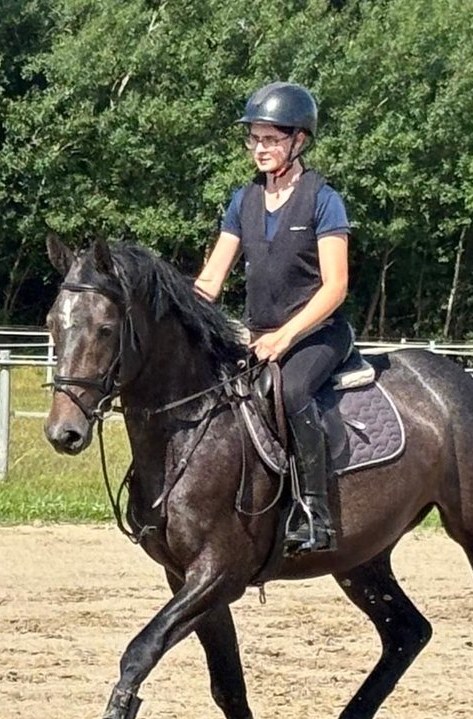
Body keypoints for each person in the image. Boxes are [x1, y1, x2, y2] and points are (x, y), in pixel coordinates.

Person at [193, 81, 351, 557]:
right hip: (259, 336)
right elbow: (212, 278)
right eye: (254, 139)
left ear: (298, 140)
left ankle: (315, 515)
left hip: (317, 334)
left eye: (271, 139)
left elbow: (335, 287)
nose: (260, 148)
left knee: (293, 391)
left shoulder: (324, 200)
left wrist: (284, 337)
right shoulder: (244, 201)